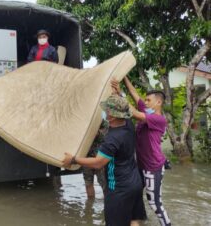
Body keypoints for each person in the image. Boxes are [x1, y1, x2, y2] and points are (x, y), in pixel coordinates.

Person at [63, 95, 147, 226]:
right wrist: (117, 92)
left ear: (112, 116)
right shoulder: (129, 124)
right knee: (134, 220)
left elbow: (98, 163)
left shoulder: (112, 139)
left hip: (119, 189)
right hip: (135, 183)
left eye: (107, 110)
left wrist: (74, 159)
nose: (105, 112)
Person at [112, 77, 171, 226]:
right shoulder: (147, 110)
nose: (145, 102)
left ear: (158, 102)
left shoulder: (158, 119)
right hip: (140, 165)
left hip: (153, 167)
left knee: (155, 203)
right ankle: (135, 221)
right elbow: (134, 93)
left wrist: (120, 97)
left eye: (148, 100)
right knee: (133, 193)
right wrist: (124, 79)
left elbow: (135, 114)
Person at [83, 120, 108, 198]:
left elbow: (104, 136)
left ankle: (108, 205)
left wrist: (96, 132)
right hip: (86, 157)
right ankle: (90, 205)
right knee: (88, 183)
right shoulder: (82, 122)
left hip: (99, 158)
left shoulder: (102, 122)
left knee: (104, 184)